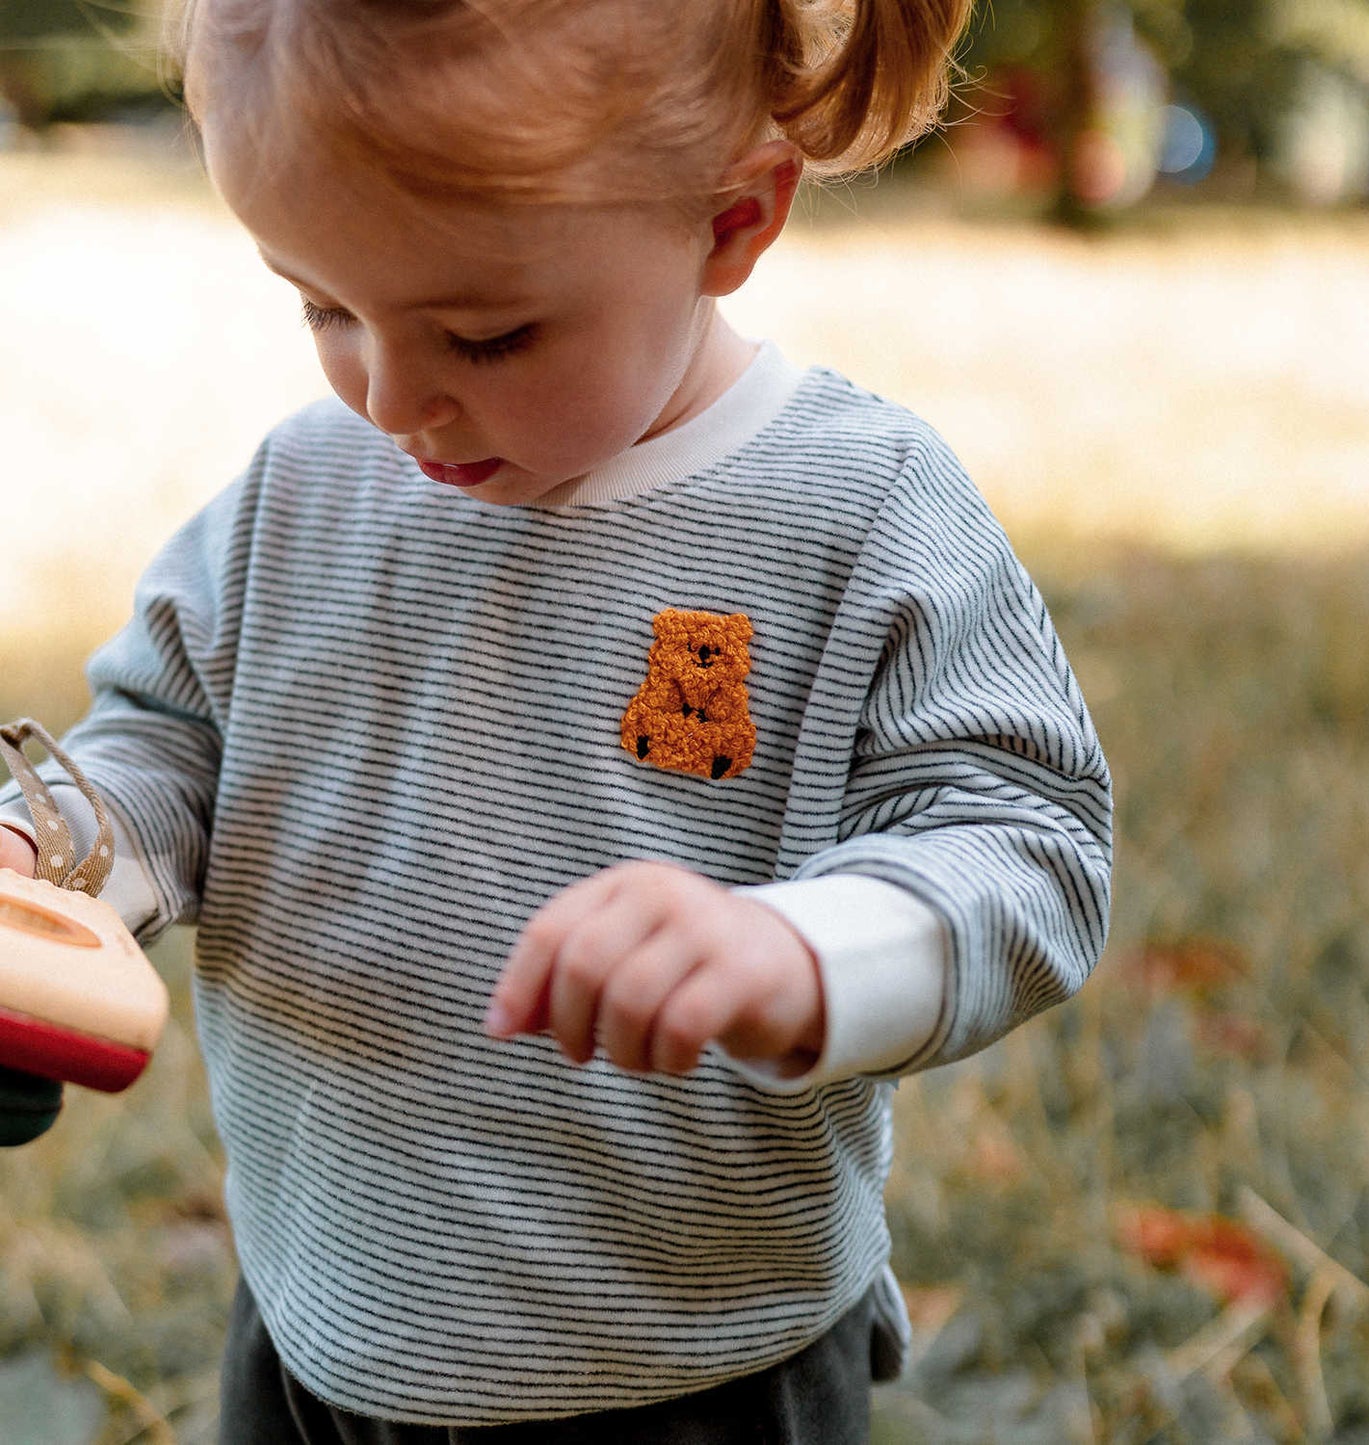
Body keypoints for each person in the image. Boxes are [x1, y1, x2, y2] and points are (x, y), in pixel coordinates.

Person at [0, 0, 1113, 1438]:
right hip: (324, 1316)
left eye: (487, 334)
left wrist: (802, 949)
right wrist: (42, 871)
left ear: (731, 221)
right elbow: (165, 749)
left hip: (687, 1362)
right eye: (323, 307)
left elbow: (1024, 844)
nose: (392, 399)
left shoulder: (852, 512)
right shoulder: (303, 492)